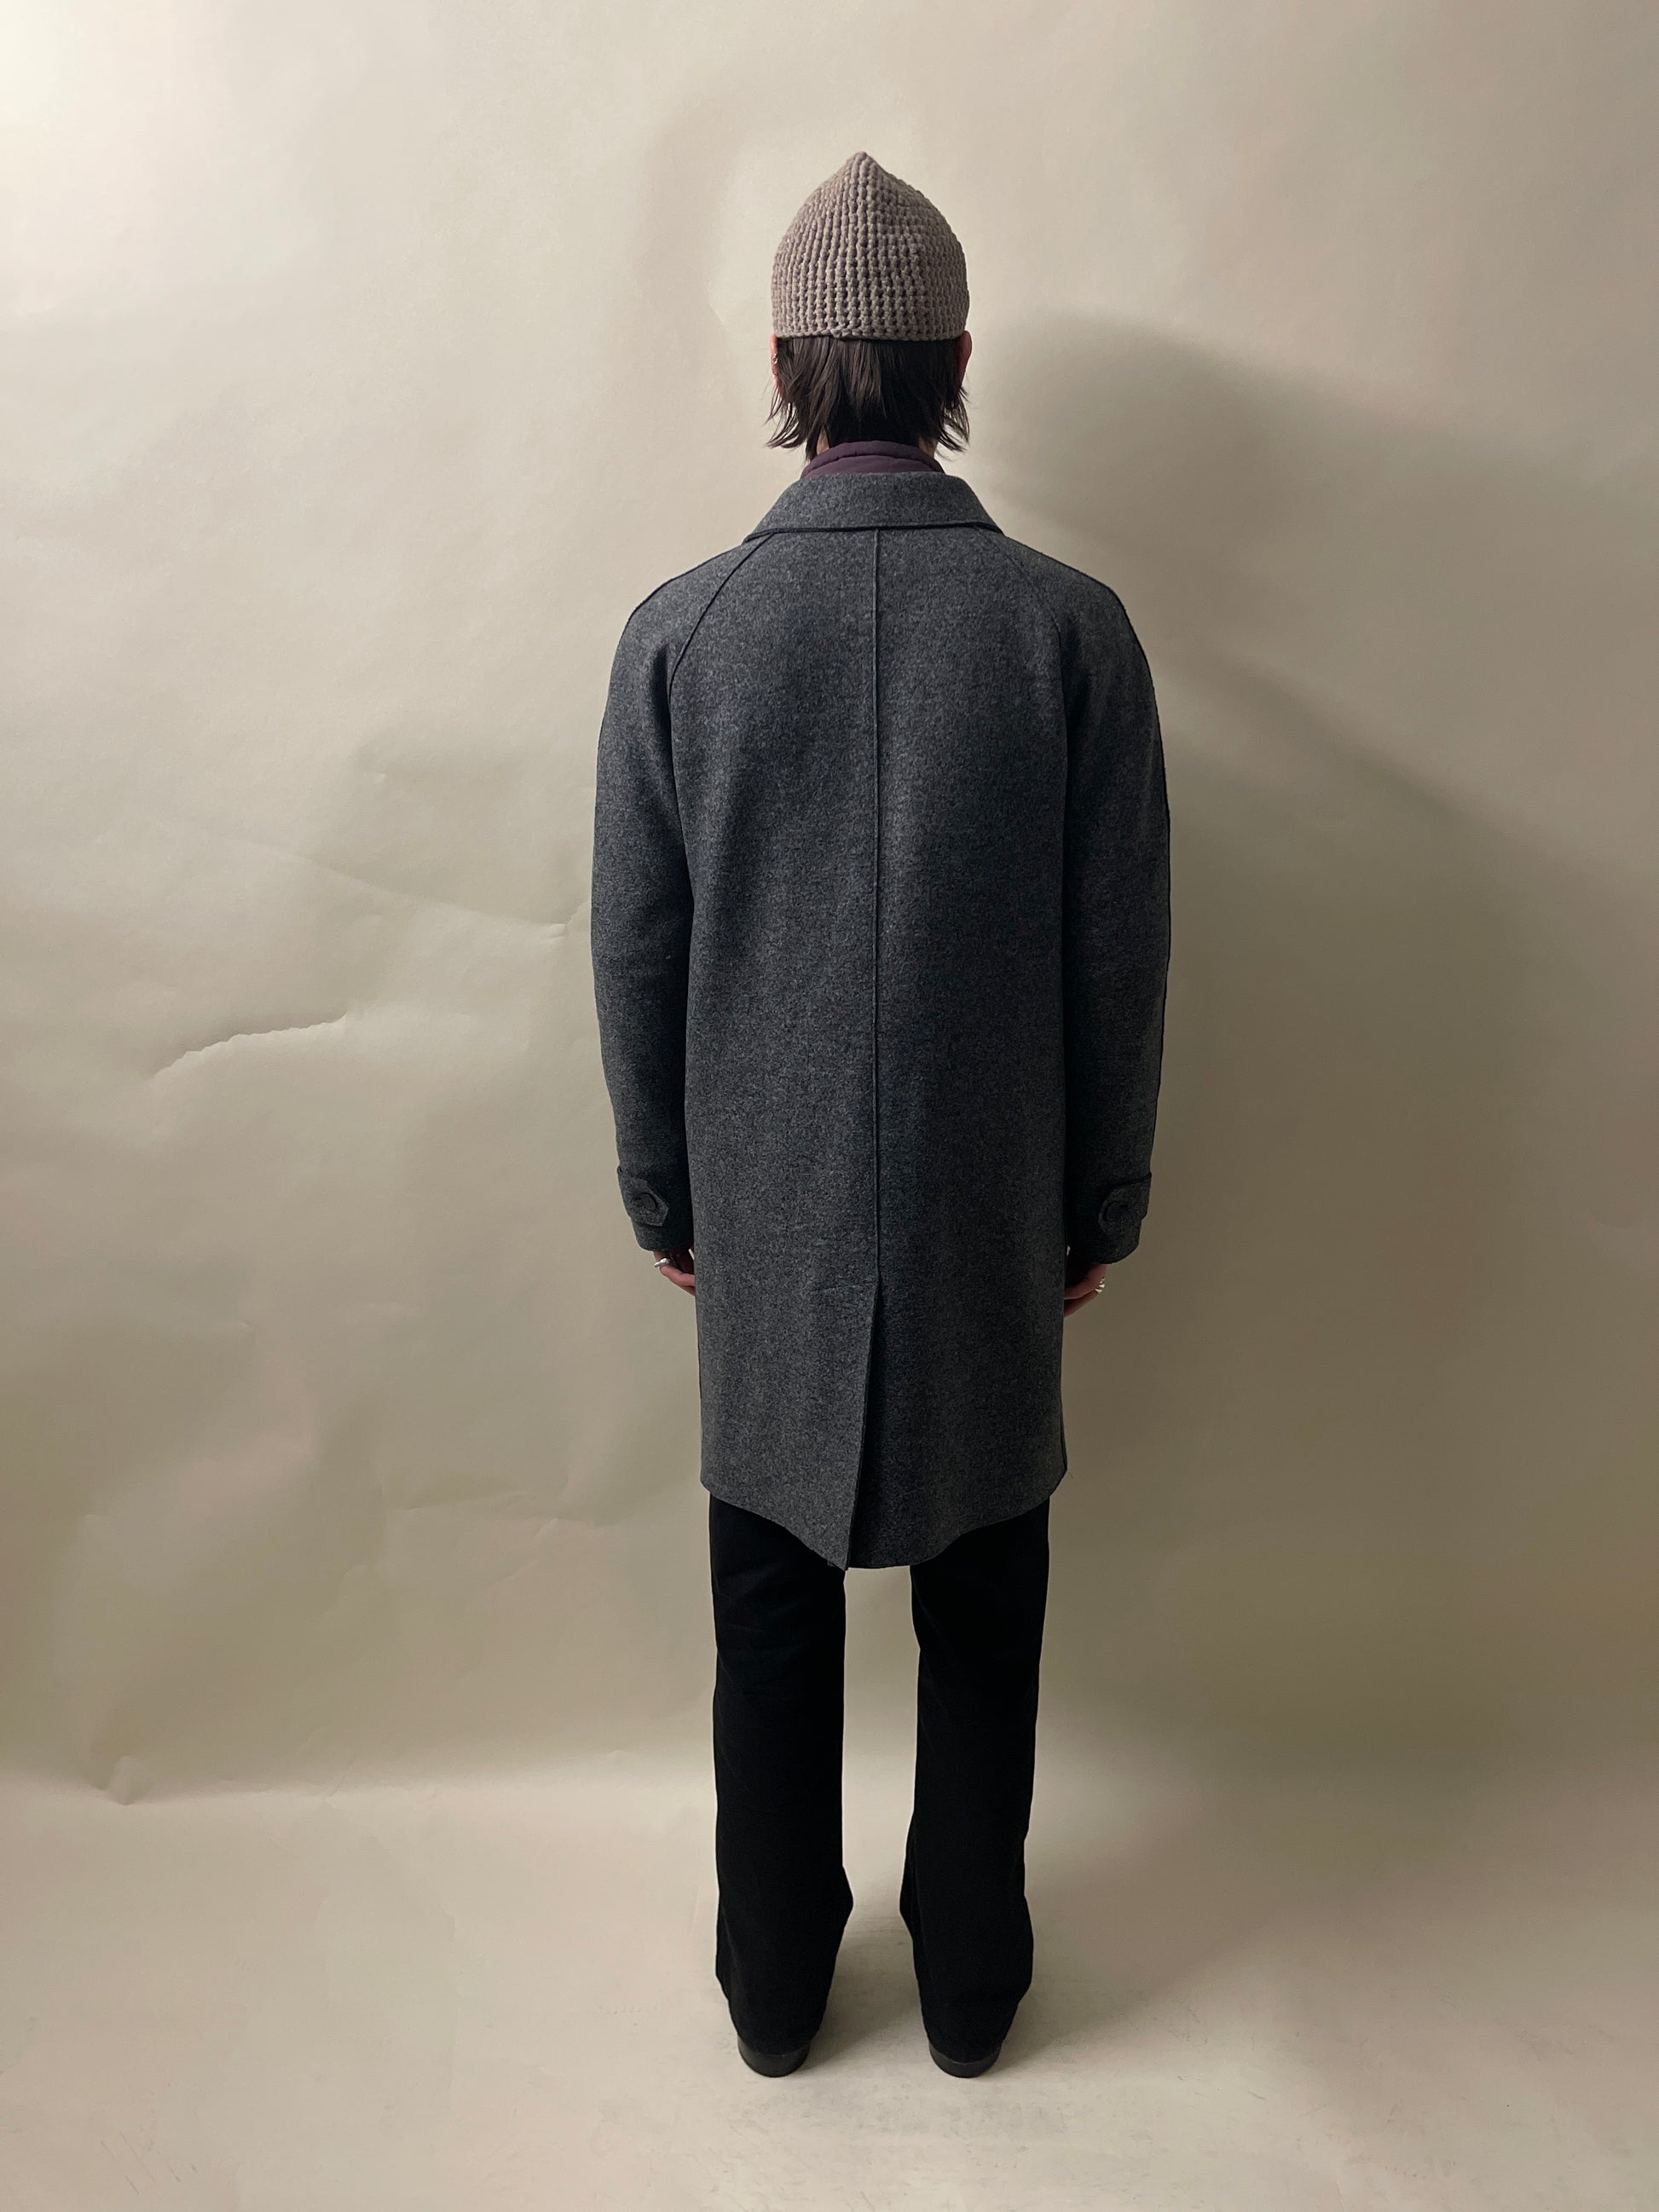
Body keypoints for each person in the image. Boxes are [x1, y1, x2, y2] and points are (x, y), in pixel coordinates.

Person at [590, 151, 1171, 2080]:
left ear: (782, 364)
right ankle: (973, 1985)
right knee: (984, 1605)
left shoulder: (681, 635)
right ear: (959, 363)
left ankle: (773, 1988)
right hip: (983, 1199)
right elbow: (1117, 956)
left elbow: (637, 950)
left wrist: (668, 1193)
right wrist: (1097, 1200)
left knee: (769, 1610)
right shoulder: (1067, 631)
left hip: (765, 1211)